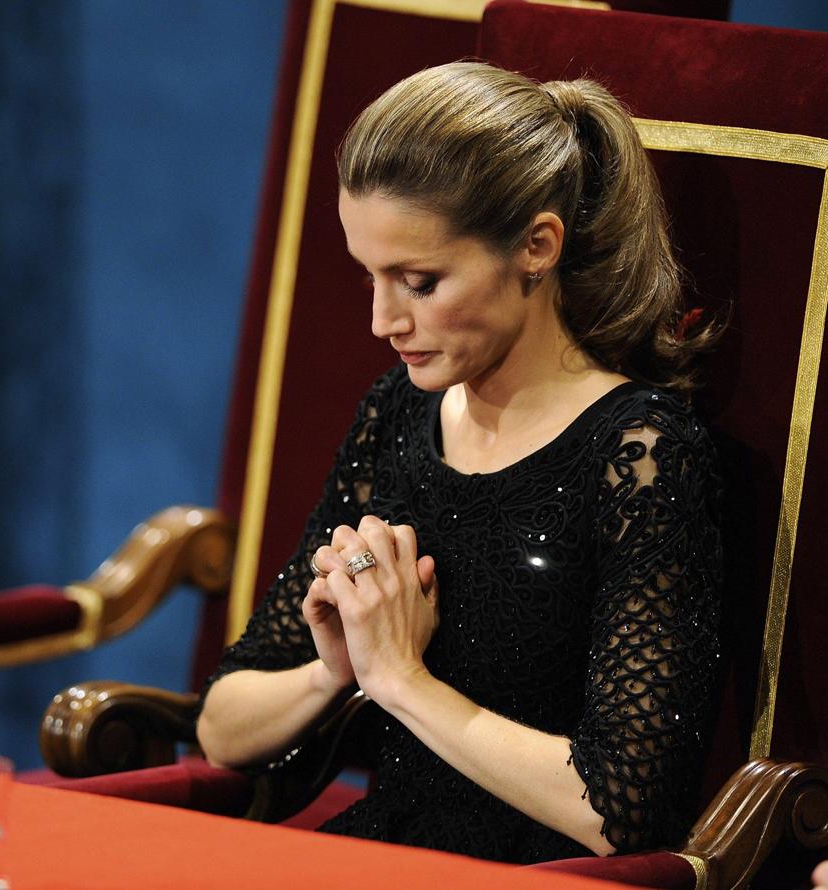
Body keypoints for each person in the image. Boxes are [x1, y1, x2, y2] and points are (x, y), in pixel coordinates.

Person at [197, 61, 722, 864]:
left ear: (536, 247)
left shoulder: (640, 453)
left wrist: (402, 681)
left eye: (418, 281)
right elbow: (221, 725)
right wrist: (332, 671)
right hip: (383, 853)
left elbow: (619, 811)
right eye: (369, 276)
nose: (381, 319)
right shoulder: (397, 413)